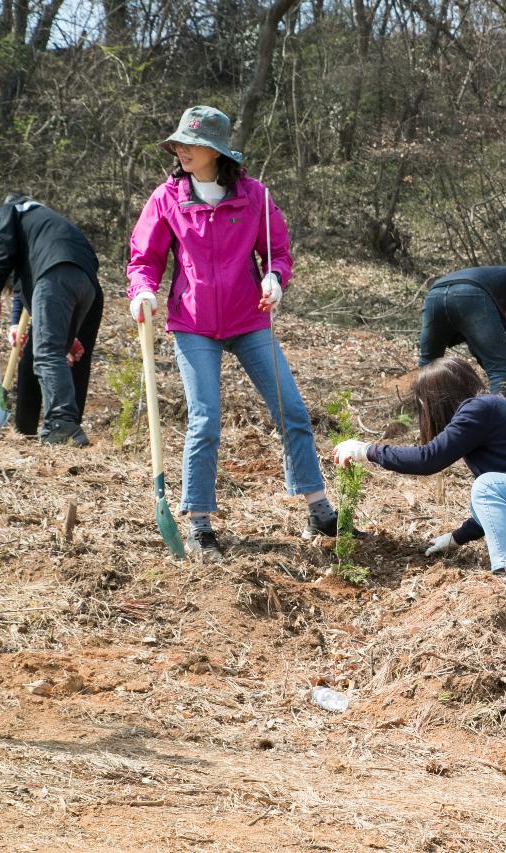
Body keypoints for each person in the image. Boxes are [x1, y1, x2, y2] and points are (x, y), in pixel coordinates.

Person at [126, 105, 344, 561]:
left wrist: (275, 280)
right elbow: (144, 259)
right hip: (194, 323)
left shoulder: (255, 196)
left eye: (191, 143)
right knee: (205, 419)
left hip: (250, 319)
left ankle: (317, 507)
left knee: (293, 410)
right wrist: (142, 291)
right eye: (179, 143)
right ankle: (201, 524)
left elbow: (279, 253)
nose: (181, 150)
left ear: (215, 150)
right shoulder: (167, 197)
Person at [331, 356, 506, 590]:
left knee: (486, 487)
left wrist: (366, 450)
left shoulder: (478, 409)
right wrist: (455, 538)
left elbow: (428, 460)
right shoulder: (488, 411)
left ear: (435, 400)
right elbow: (502, 506)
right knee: (488, 491)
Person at [0, 193, 103, 445]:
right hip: (87, 284)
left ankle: (61, 422)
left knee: (47, 353)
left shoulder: (12, 210)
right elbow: (26, 281)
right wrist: (68, 336)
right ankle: (64, 423)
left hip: (55, 278)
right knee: (57, 350)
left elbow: (2, 247)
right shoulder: (51, 224)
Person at [418, 266, 506, 402]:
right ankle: (502, 420)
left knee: (428, 363)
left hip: (434, 296)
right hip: (470, 294)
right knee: (500, 369)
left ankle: (424, 417)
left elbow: (481, 350)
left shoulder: (489, 281)